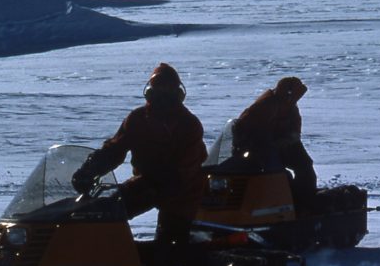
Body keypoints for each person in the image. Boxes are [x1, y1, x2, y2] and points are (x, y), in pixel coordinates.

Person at [71, 63, 207, 252]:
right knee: (105, 211)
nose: (163, 93)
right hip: (148, 182)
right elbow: (115, 148)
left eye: (167, 88)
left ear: (177, 92)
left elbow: (186, 168)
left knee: (172, 245)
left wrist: (156, 184)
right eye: (159, 87)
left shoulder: (188, 124)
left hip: (184, 190)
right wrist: (91, 169)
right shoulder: (138, 118)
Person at [231, 76, 317, 206]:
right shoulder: (266, 105)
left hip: (278, 145)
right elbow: (244, 127)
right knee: (277, 173)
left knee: (305, 165)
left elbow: (295, 128)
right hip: (258, 147)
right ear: (288, 93)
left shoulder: (290, 107)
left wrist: (290, 138)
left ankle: (304, 202)